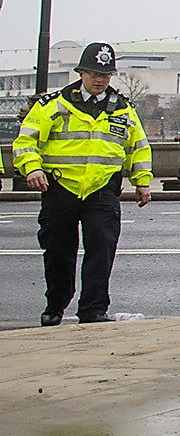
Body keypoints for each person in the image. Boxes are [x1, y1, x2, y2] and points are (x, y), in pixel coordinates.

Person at [13, 41, 150, 327]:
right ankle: (56, 306)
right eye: (94, 73)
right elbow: (26, 140)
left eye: (105, 74)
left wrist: (142, 181)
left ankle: (94, 309)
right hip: (60, 188)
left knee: (101, 250)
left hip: (102, 190)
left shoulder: (122, 109)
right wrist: (32, 168)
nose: (100, 80)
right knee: (58, 252)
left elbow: (138, 146)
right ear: (81, 73)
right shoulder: (54, 105)